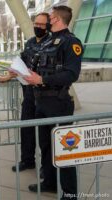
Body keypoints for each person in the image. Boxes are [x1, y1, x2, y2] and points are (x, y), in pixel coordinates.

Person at [24, 6, 82, 200]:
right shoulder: (47, 41)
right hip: (41, 102)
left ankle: (70, 193)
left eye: (49, 17)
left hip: (58, 103)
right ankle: (49, 183)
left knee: (64, 149)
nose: (47, 21)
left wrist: (42, 80)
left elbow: (71, 74)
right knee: (46, 146)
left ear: (56, 19)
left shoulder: (71, 42)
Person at [0, 12, 50, 174]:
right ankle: (27, 161)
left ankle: (46, 168)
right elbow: (20, 65)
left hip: (44, 95)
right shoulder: (30, 43)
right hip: (28, 94)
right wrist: (9, 75)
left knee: (44, 134)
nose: (37, 27)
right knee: (26, 129)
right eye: (36, 24)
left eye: (41, 25)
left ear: (48, 26)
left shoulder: (52, 44)